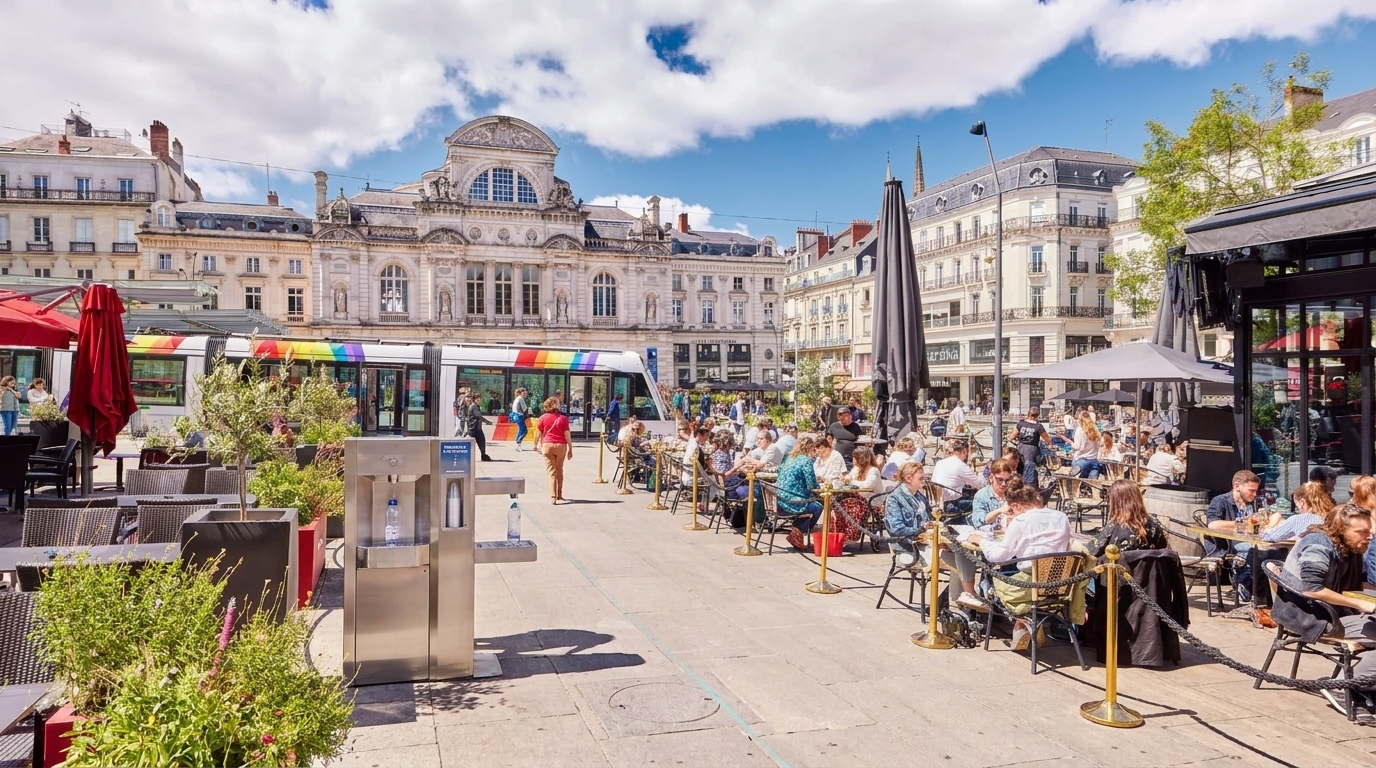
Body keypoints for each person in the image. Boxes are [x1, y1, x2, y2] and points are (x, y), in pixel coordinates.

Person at [1273, 503, 1376, 722]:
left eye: (1370, 532)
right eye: (1362, 532)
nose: (1368, 537)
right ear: (1340, 529)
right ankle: (1344, 687)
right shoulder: (1318, 543)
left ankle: (1363, 685)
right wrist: (1361, 605)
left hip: (1335, 612)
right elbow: (1312, 589)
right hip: (1308, 616)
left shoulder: (1352, 546)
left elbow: (1362, 583)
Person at [966, 485, 1075, 649]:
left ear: (1016, 506)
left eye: (1012, 510)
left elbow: (999, 555)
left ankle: (1022, 622)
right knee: (1018, 569)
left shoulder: (1021, 520)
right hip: (1059, 585)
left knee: (995, 576)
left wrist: (979, 540)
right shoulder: (1061, 517)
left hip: (1029, 588)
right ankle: (1024, 624)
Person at [929, 438, 985, 607]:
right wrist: (983, 474)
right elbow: (979, 484)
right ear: (963, 452)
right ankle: (976, 537)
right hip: (952, 506)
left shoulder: (940, 463)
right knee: (979, 505)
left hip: (940, 504)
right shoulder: (959, 464)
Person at [1206, 469, 1263, 599]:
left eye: (1256, 491)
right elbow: (1213, 524)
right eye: (1251, 490)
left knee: (1271, 551)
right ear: (1237, 486)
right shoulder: (1220, 500)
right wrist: (1241, 523)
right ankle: (1246, 587)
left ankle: (1258, 591)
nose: (1254, 494)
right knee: (1249, 549)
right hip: (1225, 546)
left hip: (1247, 541)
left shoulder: (1252, 503)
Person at [1090, 480, 1167, 556]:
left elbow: (1092, 551)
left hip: (1119, 567)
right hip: (1146, 568)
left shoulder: (1114, 526)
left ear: (1115, 502)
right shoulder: (1154, 523)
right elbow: (1162, 545)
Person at [777, 437, 823, 549]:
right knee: (818, 506)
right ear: (810, 448)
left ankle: (797, 532)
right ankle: (799, 532)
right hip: (793, 502)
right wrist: (820, 487)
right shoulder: (805, 460)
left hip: (780, 501)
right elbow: (812, 486)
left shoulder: (789, 458)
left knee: (812, 503)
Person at [1263, 481, 1333, 543]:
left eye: (1297, 506)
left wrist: (1270, 525)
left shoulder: (1299, 519)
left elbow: (1267, 537)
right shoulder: (1333, 518)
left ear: (1302, 502)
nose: (1298, 510)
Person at [535, 396, 572, 503]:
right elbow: (567, 434)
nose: (560, 405)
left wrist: (535, 444)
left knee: (551, 472)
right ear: (554, 405)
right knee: (559, 470)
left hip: (547, 446)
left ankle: (552, 496)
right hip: (561, 446)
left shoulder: (542, 418)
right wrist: (570, 448)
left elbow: (538, 432)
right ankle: (559, 494)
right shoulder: (563, 418)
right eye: (558, 403)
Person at [1009, 409, 1052, 486]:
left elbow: (1012, 436)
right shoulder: (1038, 426)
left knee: (1020, 467)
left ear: (1028, 415)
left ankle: (1020, 485)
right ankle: (1030, 486)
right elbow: (1047, 439)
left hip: (1021, 448)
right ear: (1037, 416)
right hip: (1032, 450)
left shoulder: (1021, 423)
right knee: (1030, 469)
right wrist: (1049, 445)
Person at [973, 459, 1017, 527]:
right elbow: (979, 521)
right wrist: (999, 511)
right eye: (1000, 480)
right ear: (991, 478)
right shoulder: (981, 495)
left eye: (1007, 480)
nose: (1004, 484)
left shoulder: (1013, 493)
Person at [1070, 412, 1103, 479]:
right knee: (1092, 484)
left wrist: (1071, 444)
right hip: (1094, 461)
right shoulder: (1095, 429)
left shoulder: (1080, 430)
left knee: (1077, 482)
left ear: (1080, 420)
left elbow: (1077, 446)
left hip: (1081, 461)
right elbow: (1100, 444)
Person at [463, 391, 492, 461]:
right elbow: (478, 416)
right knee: (469, 443)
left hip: (477, 428)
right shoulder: (473, 406)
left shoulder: (476, 406)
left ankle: (483, 455)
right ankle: (464, 456)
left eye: (479, 399)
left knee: (482, 441)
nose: (479, 400)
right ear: (474, 399)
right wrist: (487, 422)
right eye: (477, 399)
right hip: (473, 428)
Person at [510, 387, 531, 451]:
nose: (525, 395)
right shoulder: (521, 399)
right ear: (520, 393)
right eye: (524, 393)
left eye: (526, 393)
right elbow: (524, 409)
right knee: (525, 431)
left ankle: (518, 442)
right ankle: (518, 442)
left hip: (514, 416)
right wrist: (529, 413)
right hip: (519, 416)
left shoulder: (517, 398)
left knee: (521, 429)